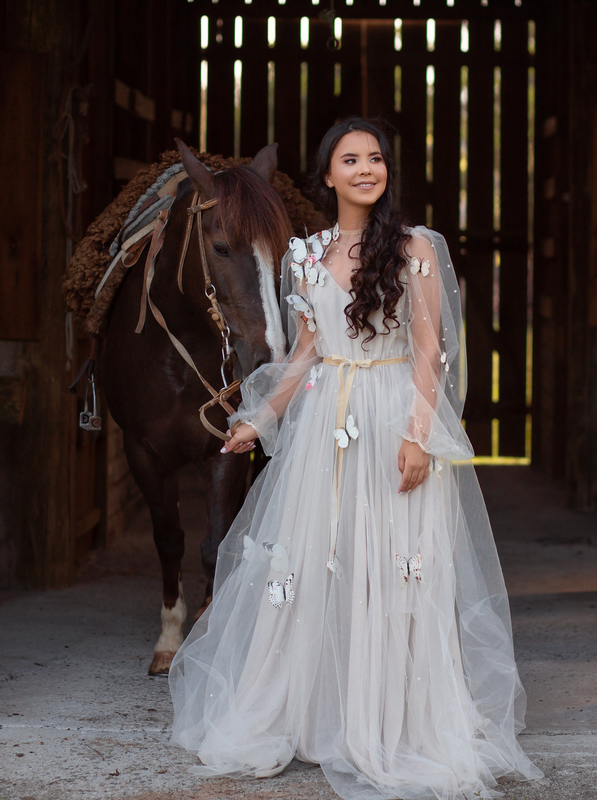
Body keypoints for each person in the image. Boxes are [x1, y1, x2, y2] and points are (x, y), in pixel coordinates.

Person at [168, 117, 543, 800]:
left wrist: (418, 435)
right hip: (325, 426)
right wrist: (259, 417)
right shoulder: (306, 255)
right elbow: (307, 351)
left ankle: (392, 723)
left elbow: (430, 351)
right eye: (351, 159)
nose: (366, 168)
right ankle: (319, 715)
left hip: (392, 413)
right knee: (317, 565)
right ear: (329, 174)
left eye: (376, 158)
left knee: (390, 571)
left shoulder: (414, 248)